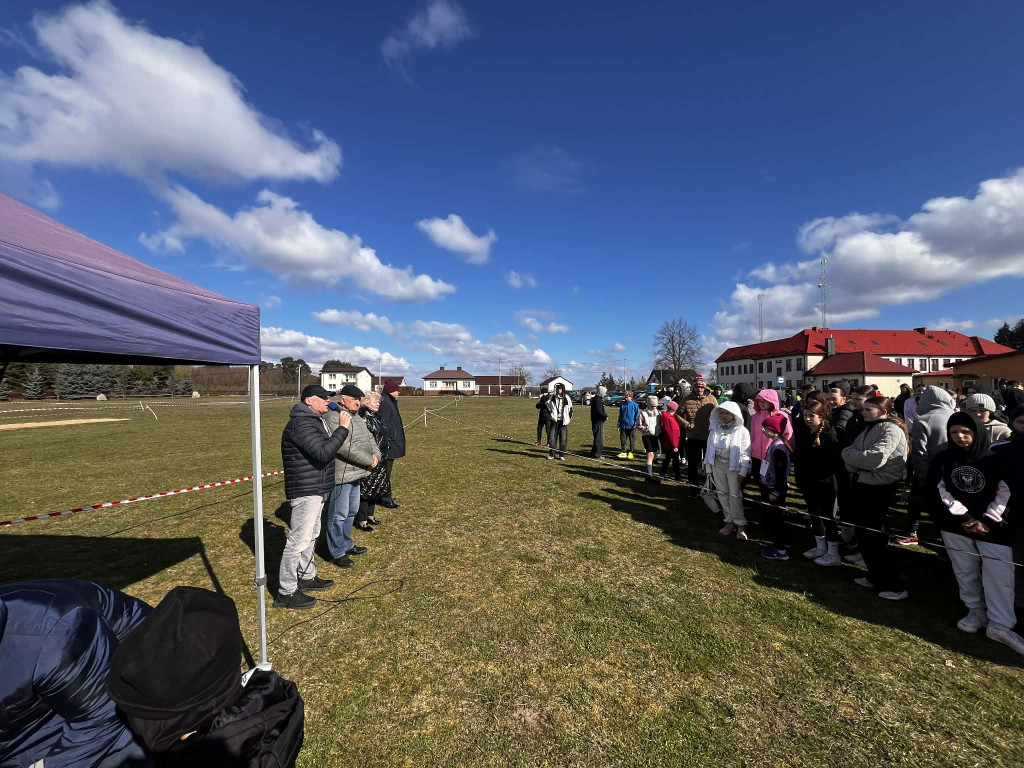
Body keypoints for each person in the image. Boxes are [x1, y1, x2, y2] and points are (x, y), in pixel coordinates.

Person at [0, 579, 152, 768]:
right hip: (42, 705)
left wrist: (48, 765)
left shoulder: (54, 636)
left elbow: (102, 717)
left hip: (123, 694)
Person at [927, 412, 1023, 654]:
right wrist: (966, 519)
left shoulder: (996, 459)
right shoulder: (942, 458)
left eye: (966, 432)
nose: (960, 436)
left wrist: (987, 520)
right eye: (954, 432)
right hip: (957, 526)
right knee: (965, 570)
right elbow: (939, 491)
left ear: (977, 432)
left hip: (994, 529)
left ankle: (1000, 624)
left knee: (999, 576)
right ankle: (975, 611)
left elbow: (1006, 493)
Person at [277, 383, 350, 610]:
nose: (328, 401)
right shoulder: (300, 424)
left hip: (317, 489)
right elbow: (323, 452)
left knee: (311, 535)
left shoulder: (312, 421)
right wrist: (343, 428)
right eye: (323, 398)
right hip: (306, 490)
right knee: (298, 541)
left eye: (329, 398)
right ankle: (286, 592)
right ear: (309, 400)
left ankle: (307, 576)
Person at [841, 396, 910, 601]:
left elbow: (874, 459)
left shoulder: (890, 430)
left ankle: (894, 585)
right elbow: (848, 450)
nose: (863, 412)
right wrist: (854, 459)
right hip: (864, 483)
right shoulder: (869, 428)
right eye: (864, 409)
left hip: (879, 487)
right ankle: (874, 575)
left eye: (869, 409)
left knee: (873, 535)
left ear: (883, 412)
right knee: (863, 534)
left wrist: (853, 460)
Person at [325, 384, 380, 566]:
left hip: (357, 473)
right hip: (342, 475)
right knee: (338, 515)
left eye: (359, 399)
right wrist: (368, 460)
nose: (357, 402)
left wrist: (376, 455)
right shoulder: (334, 417)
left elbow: (369, 438)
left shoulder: (356, 417)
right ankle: (336, 551)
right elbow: (343, 447)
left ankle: (346, 543)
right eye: (353, 399)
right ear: (342, 399)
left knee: (351, 512)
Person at [901, 385, 957, 545]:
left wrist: (921, 475)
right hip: (953, 470)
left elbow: (919, 451)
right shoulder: (956, 415)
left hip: (930, 470)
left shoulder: (924, 419)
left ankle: (913, 531)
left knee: (917, 501)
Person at [793, 399, 843, 566]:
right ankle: (820, 547)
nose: (807, 419)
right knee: (814, 514)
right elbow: (799, 457)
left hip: (824, 483)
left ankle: (833, 552)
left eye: (811, 416)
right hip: (808, 481)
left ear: (822, 417)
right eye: (805, 415)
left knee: (827, 517)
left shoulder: (829, 435)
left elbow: (834, 463)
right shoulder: (805, 432)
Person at [705, 401, 752, 540]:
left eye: (727, 413)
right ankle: (729, 520)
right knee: (722, 494)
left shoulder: (742, 431)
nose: (724, 416)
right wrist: (708, 466)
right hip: (717, 465)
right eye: (721, 413)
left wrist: (743, 470)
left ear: (734, 414)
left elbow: (745, 451)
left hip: (733, 467)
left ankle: (740, 524)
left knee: (734, 495)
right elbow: (709, 448)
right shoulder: (715, 428)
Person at [677, 374, 719, 497]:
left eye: (701, 387)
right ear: (694, 387)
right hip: (693, 437)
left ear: (705, 387)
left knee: (710, 464)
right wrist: (686, 424)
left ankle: (710, 488)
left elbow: (718, 414)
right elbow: (677, 414)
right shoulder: (687, 399)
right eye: (697, 387)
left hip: (709, 437)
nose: (699, 389)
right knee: (693, 464)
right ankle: (694, 489)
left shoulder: (711, 399)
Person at [758, 412, 793, 560]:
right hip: (770, 486)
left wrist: (777, 491)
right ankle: (776, 545)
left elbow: (781, 474)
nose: (763, 431)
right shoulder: (774, 444)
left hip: (774, 489)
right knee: (773, 520)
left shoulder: (779, 448)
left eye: (766, 428)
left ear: (774, 430)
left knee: (778, 520)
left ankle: (780, 550)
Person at [358, 391, 391, 528]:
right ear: (367, 402)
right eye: (375, 401)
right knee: (365, 490)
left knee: (376, 488)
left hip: (381, 457)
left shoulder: (376, 416)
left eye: (378, 401)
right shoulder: (363, 417)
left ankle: (370, 516)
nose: (378, 403)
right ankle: (362, 520)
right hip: (370, 458)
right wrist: (371, 456)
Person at [750, 388, 793, 479]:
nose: (762, 403)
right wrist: (752, 448)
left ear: (773, 401)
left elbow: (788, 434)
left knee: (774, 479)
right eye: (760, 401)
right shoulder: (755, 417)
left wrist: (782, 449)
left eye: (765, 401)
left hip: (773, 454)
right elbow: (752, 435)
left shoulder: (782, 416)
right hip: (756, 455)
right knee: (758, 478)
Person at [376, 379, 405, 509]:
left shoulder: (389, 401)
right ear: (389, 391)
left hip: (391, 442)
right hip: (388, 444)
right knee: (385, 472)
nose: (398, 393)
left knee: (387, 471)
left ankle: (384, 495)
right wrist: (391, 438)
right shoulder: (385, 403)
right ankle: (385, 498)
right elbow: (385, 423)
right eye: (395, 390)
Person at [546, 383, 573, 460]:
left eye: (560, 388)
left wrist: (568, 419)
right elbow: (548, 404)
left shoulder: (567, 398)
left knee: (563, 439)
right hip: (554, 421)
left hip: (563, 422)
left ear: (563, 389)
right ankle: (552, 454)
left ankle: (561, 455)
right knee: (552, 438)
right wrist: (551, 413)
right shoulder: (553, 397)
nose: (559, 390)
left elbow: (570, 409)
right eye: (557, 388)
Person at [638, 395, 662, 479]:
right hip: (646, 435)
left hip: (655, 436)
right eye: (652, 406)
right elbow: (638, 425)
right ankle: (649, 475)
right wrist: (645, 428)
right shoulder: (643, 413)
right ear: (648, 404)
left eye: (655, 406)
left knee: (653, 454)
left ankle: (648, 471)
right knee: (650, 453)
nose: (653, 408)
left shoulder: (659, 413)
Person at [660, 401, 683, 481]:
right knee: (671, 460)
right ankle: (665, 475)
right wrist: (675, 445)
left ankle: (664, 475)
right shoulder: (670, 420)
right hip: (671, 444)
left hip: (666, 443)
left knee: (667, 460)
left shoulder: (665, 417)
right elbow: (672, 433)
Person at [617, 390, 640, 459]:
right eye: (625, 397)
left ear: (631, 397)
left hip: (632, 426)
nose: (626, 398)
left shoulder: (635, 405)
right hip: (623, 426)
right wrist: (619, 425)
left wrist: (635, 423)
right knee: (623, 439)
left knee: (632, 439)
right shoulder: (623, 405)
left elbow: (637, 415)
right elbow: (620, 415)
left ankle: (631, 452)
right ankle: (623, 451)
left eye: (628, 397)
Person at [590, 386, 608, 458]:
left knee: (596, 438)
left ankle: (593, 452)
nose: (605, 394)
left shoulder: (595, 399)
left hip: (595, 421)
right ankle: (597, 454)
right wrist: (605, 416)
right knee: (599, 439)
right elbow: (599, 411)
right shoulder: (597, 400)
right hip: (598, 421)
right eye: (604, 392)